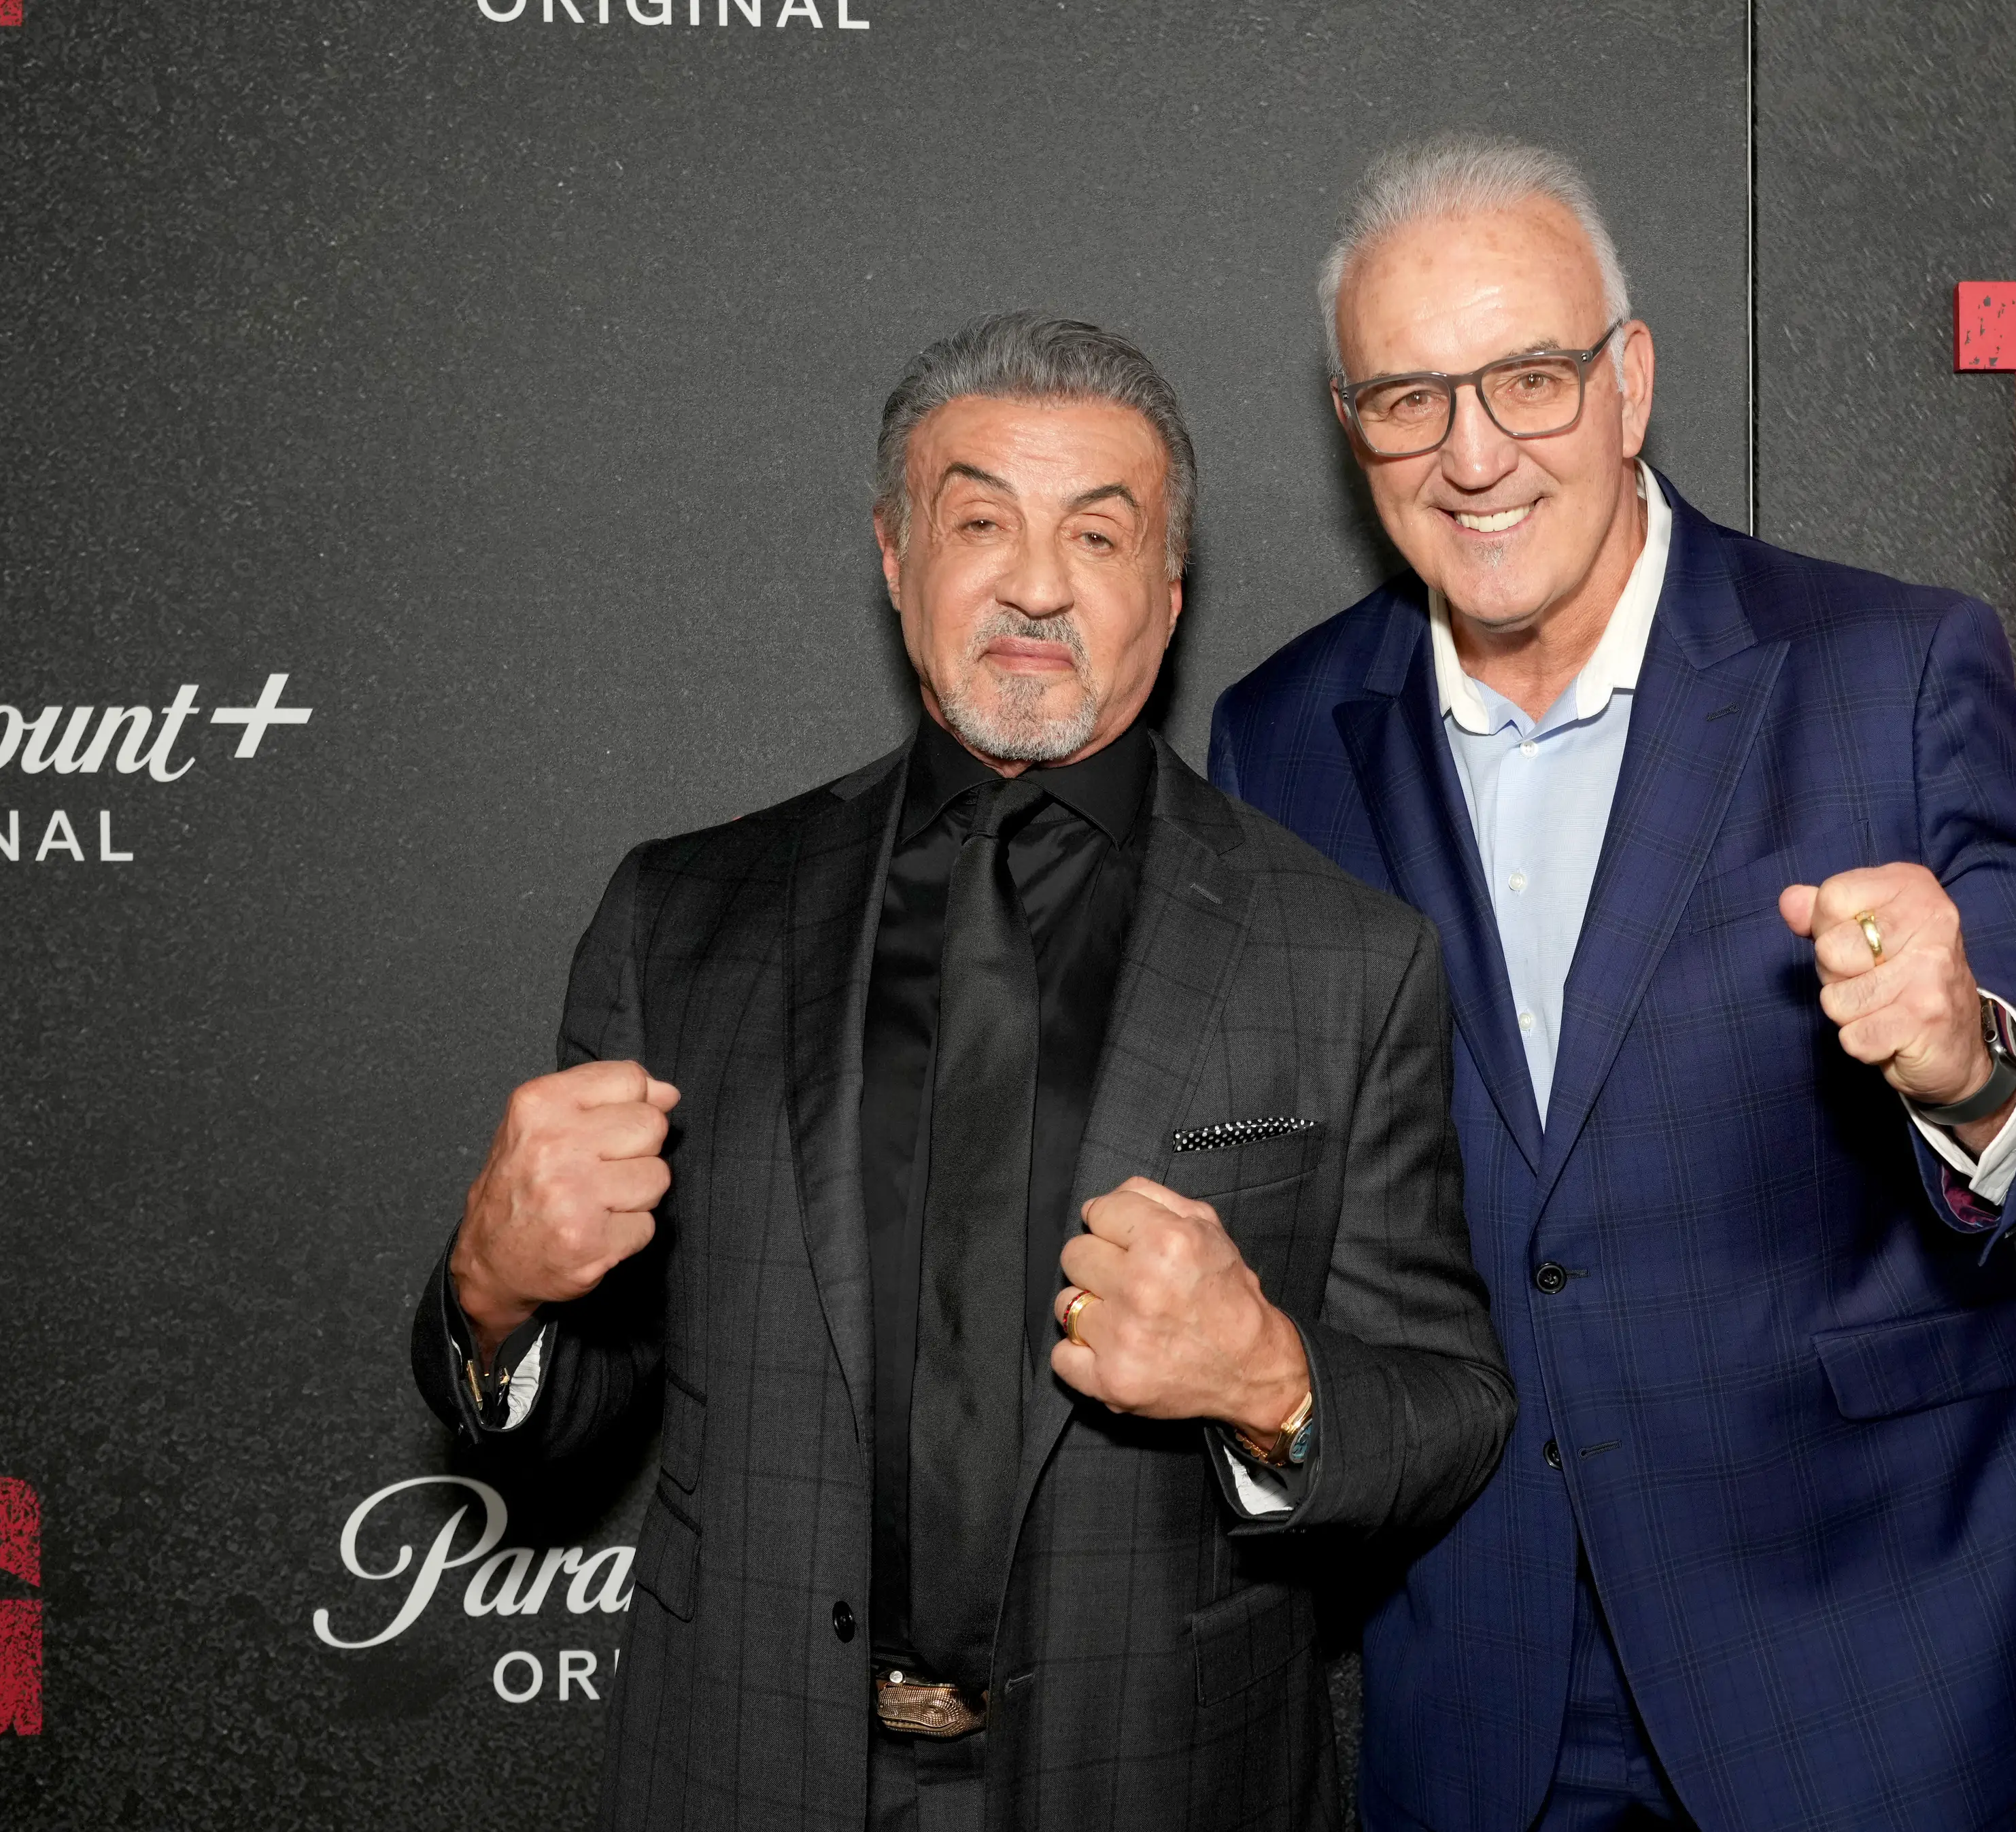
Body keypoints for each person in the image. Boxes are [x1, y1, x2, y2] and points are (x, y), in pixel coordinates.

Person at [411, 312, 1514, 1832]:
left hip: (1163, 1781)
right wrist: (492, 1293)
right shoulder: (683, 919)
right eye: (981, 521)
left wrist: (1268, 1378)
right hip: (745, 1770)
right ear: (894, 557)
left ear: (1169, 591)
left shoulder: (1343, 956)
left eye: (1099, 535)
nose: (1037, 584)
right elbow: (570, 1412)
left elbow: (1452, 1409)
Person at [1210, 137, 2016, 1832]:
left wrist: (1968, 1063)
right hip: (1483, 1676)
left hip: (1856, 1664)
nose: (1474, 454)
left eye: (1529, 377)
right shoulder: (1281, 738)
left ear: (1631, 380)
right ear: (1353, 428)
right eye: (1409, 400)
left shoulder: (1893, 668)